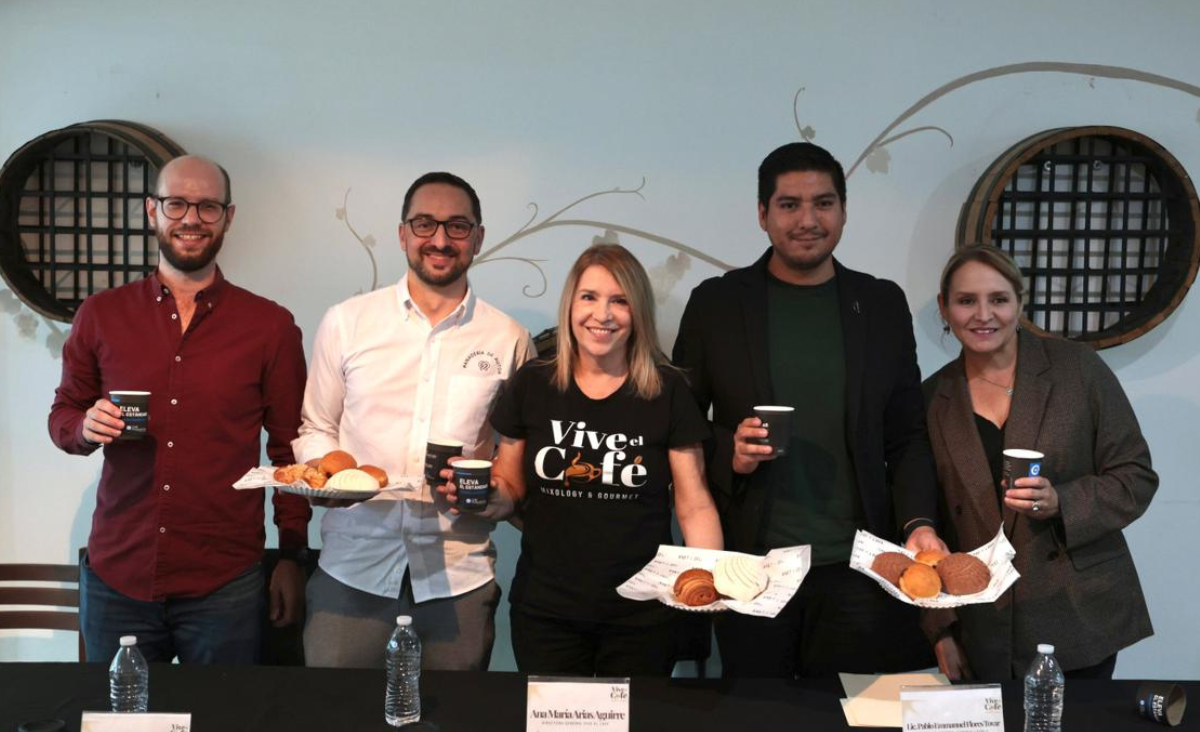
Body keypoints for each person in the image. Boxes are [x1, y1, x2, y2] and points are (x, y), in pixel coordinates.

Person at [671, 142, 945, 679]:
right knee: (758, 715)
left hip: (859, 566)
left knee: (848, 720)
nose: (807, 220)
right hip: (751, 565)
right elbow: (681, 425)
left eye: (823, 203)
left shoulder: (881, 304)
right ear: (762, 214)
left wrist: (918, 523)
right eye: (789, 205)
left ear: (843, 211)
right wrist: (732, 451)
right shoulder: (716, 303)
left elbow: (907, 435)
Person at [49, 155, 310, 664]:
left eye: (207, 206)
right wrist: (84, 426)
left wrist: (292, 556)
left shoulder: (270, 326)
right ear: (152, 211)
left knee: (222, 715)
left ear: (228, 217)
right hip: (118, 575)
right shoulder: (100, 315)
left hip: (226, 580)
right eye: (176, 204)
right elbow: (63, 416)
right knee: (116, 715)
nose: (191, 218)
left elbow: (289, 451)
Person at [297, 171, 535, 670]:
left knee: (453, 715)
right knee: (336, 711)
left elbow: (516, 454)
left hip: (458, 576)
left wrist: (499, 496)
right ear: (402, 233)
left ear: (478, 238)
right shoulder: (347, 322)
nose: (440, 240)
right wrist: (327, 474)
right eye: (425, 224)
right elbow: (316, 426)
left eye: (457, 226)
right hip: (352, 568)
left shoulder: (508, 339)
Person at [451, 243, 723, 676]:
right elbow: (510, 486)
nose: (603, 314)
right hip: (547, 612)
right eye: (589, 297)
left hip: (642, 616)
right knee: (553, 722)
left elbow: (694, 503)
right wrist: (487, 499)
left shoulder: (668, 390)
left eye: (620, 300)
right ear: (570, 305)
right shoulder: (534, 383)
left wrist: (710, 577)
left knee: (635, 722)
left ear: (638, 312)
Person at [924, 244, 1157, 680]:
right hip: (981, 622)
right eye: (966, 300)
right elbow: (924, 521)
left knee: (1080, 726)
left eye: (998, 299)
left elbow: (1136, 477)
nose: (983, 315)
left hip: (1078, 613)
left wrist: (1061, 502)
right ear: (944, 307)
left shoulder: (1078, 369)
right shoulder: (931, 399)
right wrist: (941, 628)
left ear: (1020, 302)